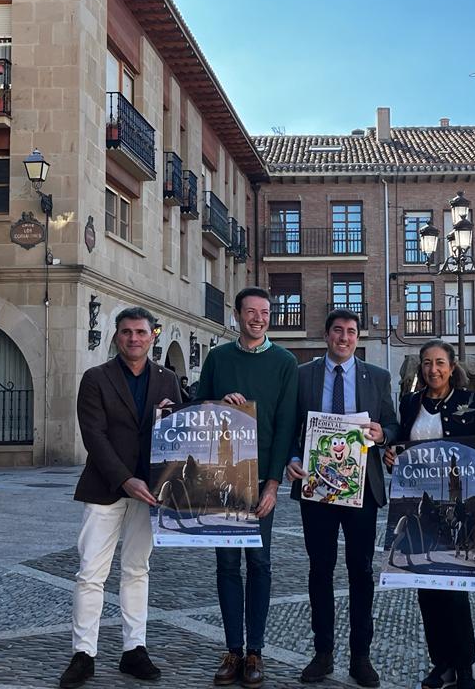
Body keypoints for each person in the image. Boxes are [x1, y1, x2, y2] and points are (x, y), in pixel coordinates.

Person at [60, 306, 180, 689]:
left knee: (137, 571)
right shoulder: (96, 378)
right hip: (105, 488)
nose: (134, 338)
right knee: (90, 573)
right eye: (126, 332)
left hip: (150, 492)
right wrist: (125, 480)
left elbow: (177, 429)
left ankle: (134, 650)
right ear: (116, 336)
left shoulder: (167, 379)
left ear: (152, 337)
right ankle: (84, 654)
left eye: (141, 332)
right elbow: (93, 436)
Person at [286, 309, 400, 687]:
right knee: (319, 570)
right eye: (338, 331)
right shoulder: (303, 375)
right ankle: (322, 653)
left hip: (362, 489)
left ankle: (360, 657)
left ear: (358, 337)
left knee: (361, 572)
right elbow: (291, 426)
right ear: (327, 335)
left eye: (351, 332)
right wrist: (293, 458)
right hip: (316, 487)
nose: (345, 338)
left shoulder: (378, 377)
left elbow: (393, 424)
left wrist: (383, 434)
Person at [195, 287, 298, 688]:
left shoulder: (285, 362)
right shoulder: (218, 358)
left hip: (260, 482)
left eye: (265, 312)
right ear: (237, 315)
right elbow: (198, 409)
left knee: (259, 565)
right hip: (223, 480)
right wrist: (220, 403)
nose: (259, 318)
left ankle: (256, 650)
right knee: (225, 566)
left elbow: (286, 425)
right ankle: (232, 650)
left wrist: (273, 485)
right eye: (251, 311)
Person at [387, 339, 475, 689]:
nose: (432, 370)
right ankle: (441, 664)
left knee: (454, 588)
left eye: (439, 363)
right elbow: (401, 450)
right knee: (426, 587)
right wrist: (392, 459)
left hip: (459, 499)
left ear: (452, 367)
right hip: (423, 498)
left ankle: (464, 666)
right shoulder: (408, 404)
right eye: (426, 363)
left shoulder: (472, 401)